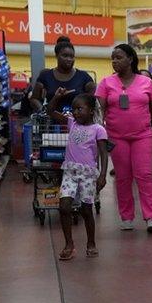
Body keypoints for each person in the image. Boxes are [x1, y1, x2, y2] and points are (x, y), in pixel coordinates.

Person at [95, 44, 152, 232]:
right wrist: (98, 134)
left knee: (145, 176)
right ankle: (126, 217)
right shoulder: (106, 83)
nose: (114, 61)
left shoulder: (146, 82)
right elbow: (98, 111)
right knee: (123, 178)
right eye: (113, 58)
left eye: (118, 57)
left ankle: (151, 217)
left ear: (130, 59)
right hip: (116, 137)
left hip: (142, 136)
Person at [47, 92, 108, 260]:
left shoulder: (98, 129)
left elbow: (103, 154)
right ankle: (69, 244)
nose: (75, 112)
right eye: (74, 109)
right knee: (64, 206)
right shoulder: (71, 123)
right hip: (70, 172)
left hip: (88, 174)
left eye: (80, 109)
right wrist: (57, 97)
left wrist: (102, 175)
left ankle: (91, 243)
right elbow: (51, 111)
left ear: (91, 111)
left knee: (86, 210)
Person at [31, 36, 96, 114]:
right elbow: (34, 99)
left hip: (77, 123)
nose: (69, 59)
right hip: (52, 123)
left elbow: (93, 100)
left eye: (71, 56)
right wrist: (42, 111)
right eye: (65, 56)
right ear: (57, 56)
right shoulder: (45, 75)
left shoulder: (84, 77)